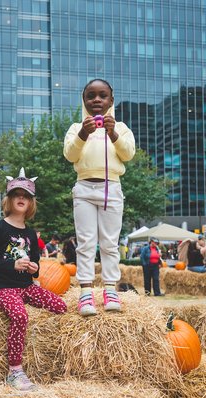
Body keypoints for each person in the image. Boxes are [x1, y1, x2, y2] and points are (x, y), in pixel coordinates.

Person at [0, 169, 67, 391]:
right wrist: (12, 264)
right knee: (20, 316)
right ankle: (15, 371)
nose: (21, 198)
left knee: (60, 306)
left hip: (26, 287)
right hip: (4, 288)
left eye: (26, 196)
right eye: (17, 194)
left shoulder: (30, 234)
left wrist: (34, 268)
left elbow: (36, 266)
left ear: (31, 203)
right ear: (9, 200)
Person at [63, 78, 136, 316]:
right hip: (84, 188)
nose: (96, 100)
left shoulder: (121, 127)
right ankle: (86, 292)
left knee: (109, 243)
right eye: (91, 96)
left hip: (111, 189)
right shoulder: (76, 128)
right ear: (83, 100)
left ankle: (110, 289)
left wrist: (113, 132)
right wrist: (84, 133)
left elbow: (128, 154)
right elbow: (70, 155)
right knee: (85, 242)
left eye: (102, 96)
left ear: (111, 100)